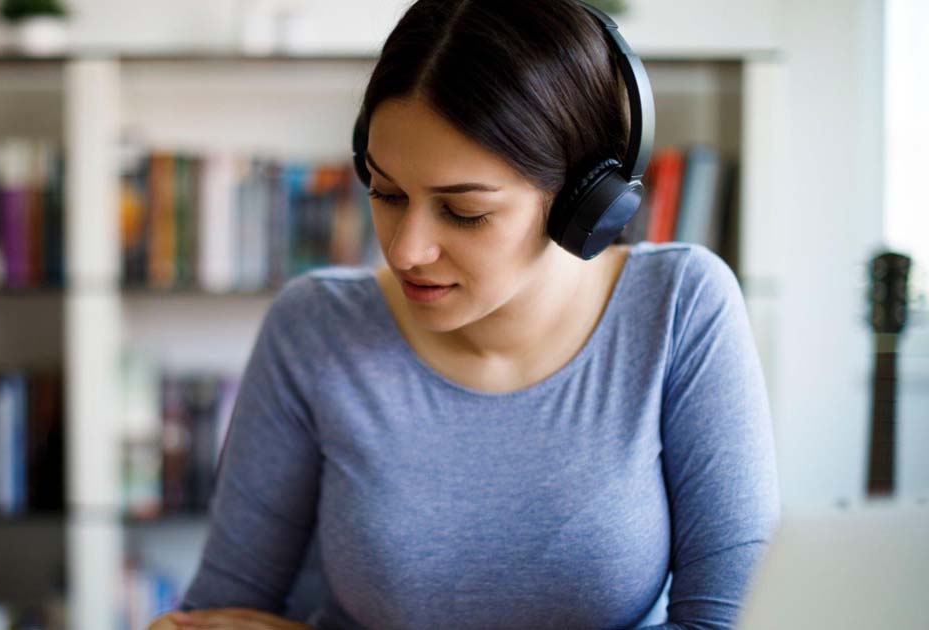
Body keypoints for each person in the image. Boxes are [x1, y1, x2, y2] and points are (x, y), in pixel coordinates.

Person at [150, 0, 779, 627]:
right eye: (386, 193)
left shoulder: (680, 308)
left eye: (464, 211)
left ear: (583, 201)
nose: (405, 250)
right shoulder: (314, 328)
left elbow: (734, 621)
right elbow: (216, 618)